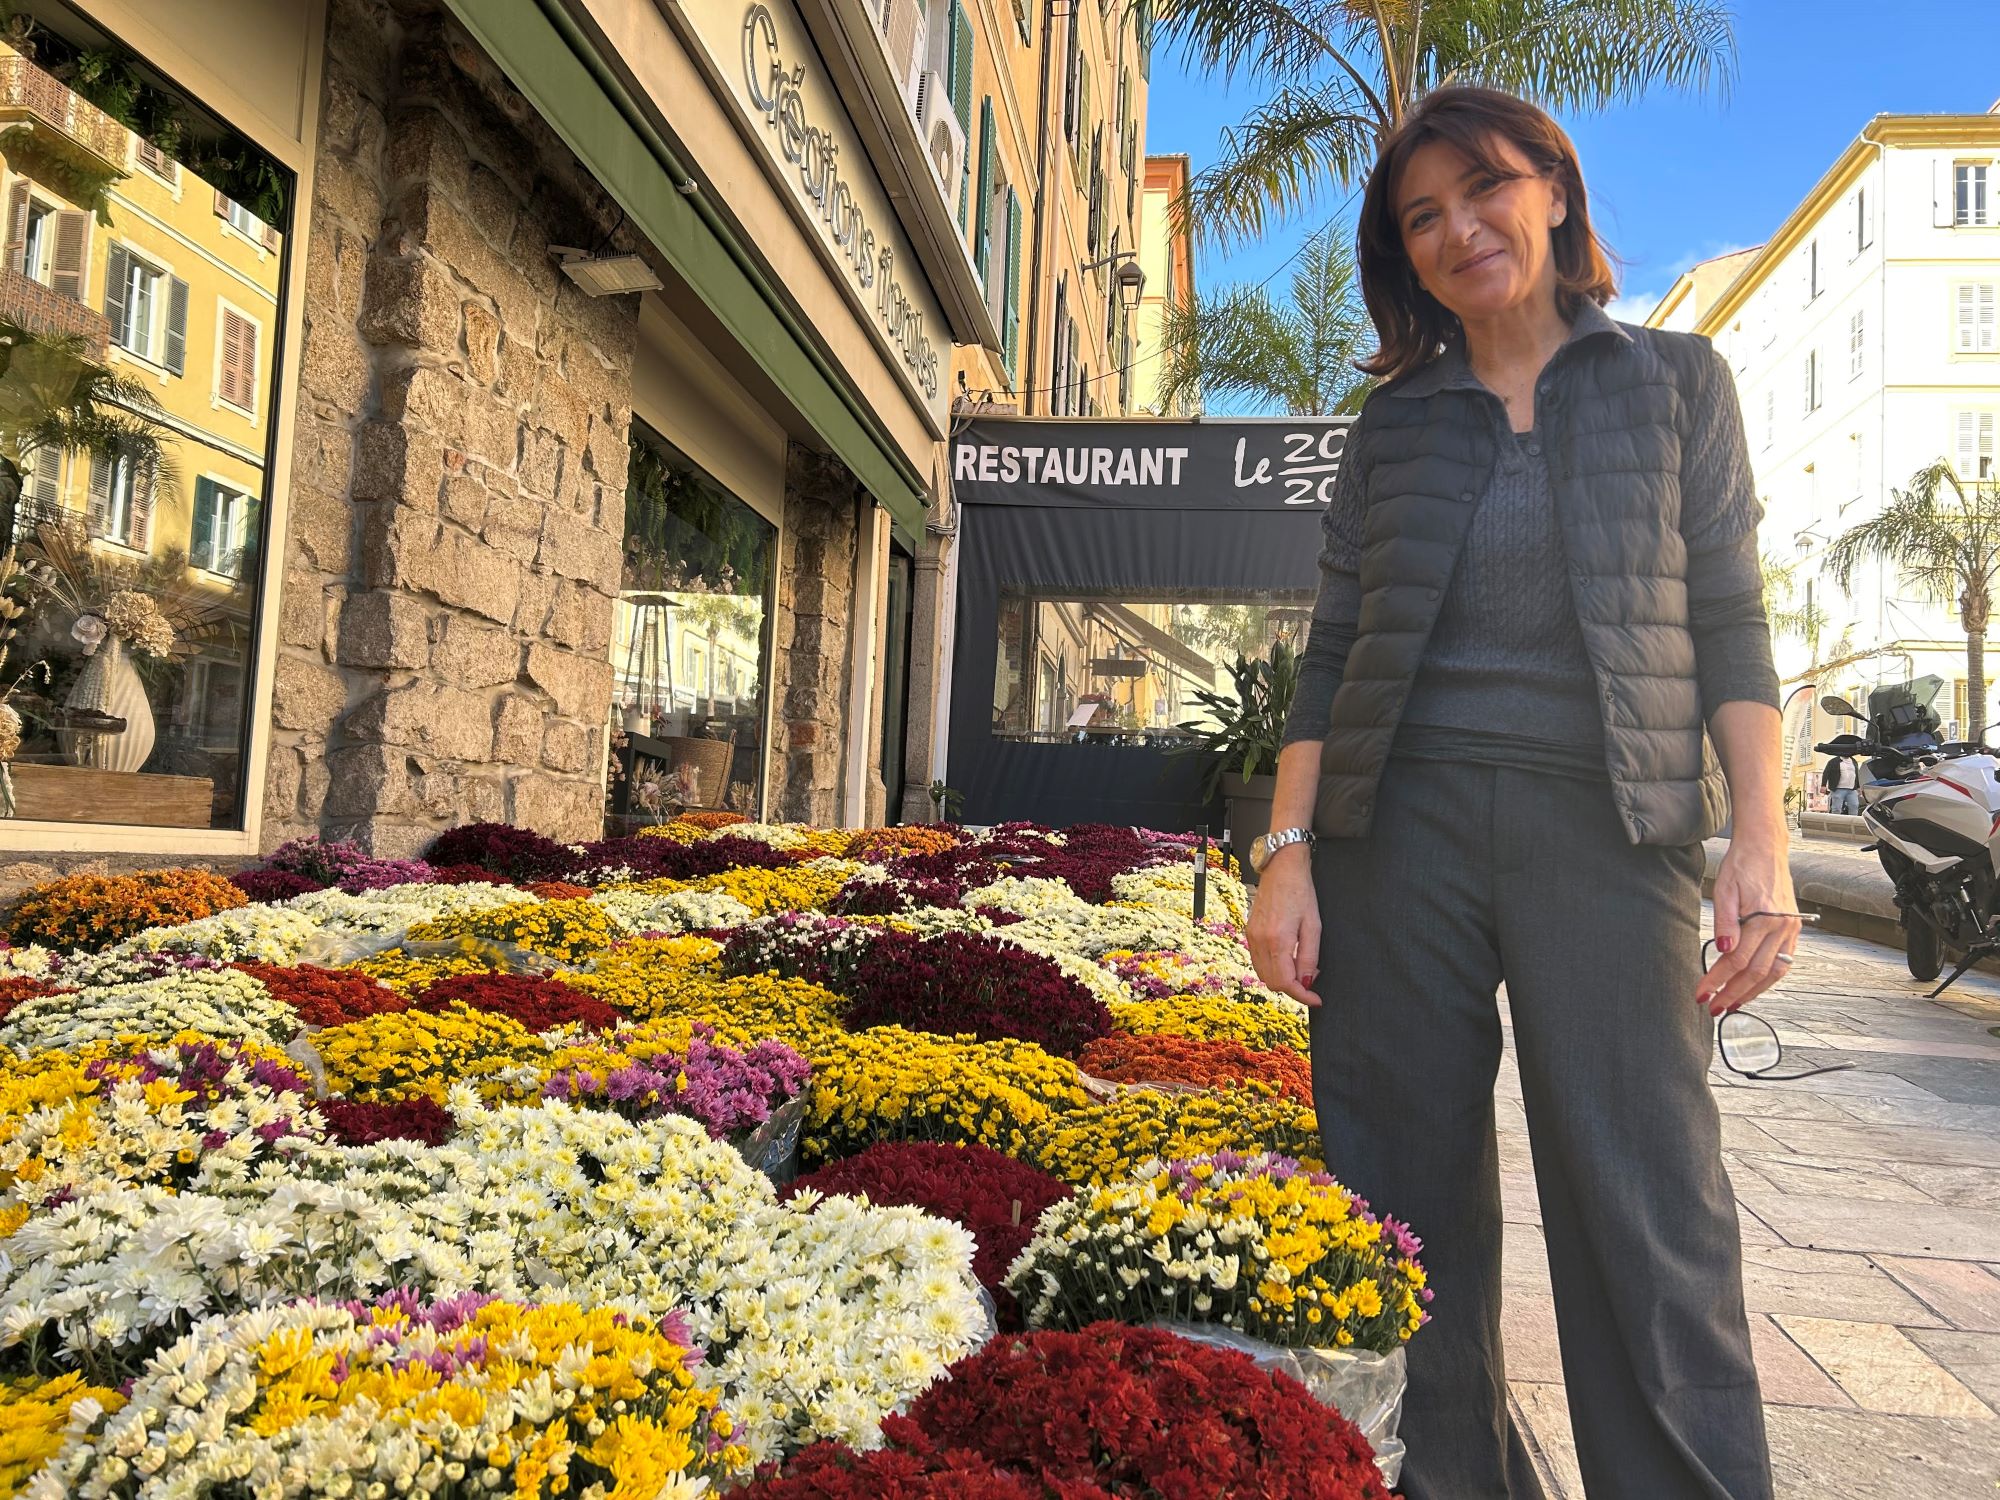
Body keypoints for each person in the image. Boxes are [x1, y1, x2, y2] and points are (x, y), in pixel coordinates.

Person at [1244, 86, 1797, 1500]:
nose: (1457, 230)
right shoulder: (1396, 428)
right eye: (1421, 217)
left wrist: (1764, 840)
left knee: (1649, 1201)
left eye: (1482, 190)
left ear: (1551, 188)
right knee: (1400, 1207)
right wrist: (1287, 856)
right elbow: (1332, 650)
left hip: (1612, 836)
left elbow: (1730, 623)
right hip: (1398, 840)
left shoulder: (1676, 385)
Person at [1822, 751, 1861, 816]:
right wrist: (1823, 785)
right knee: (1836, 808)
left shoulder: (1854, 761)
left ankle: (1852, 823)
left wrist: (1858, 786)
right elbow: (1826, 773)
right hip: (1838, 789)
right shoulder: (1833, 761)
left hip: (1852, 789)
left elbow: (1856, 774)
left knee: (1854, 805)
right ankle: (1835, 824)